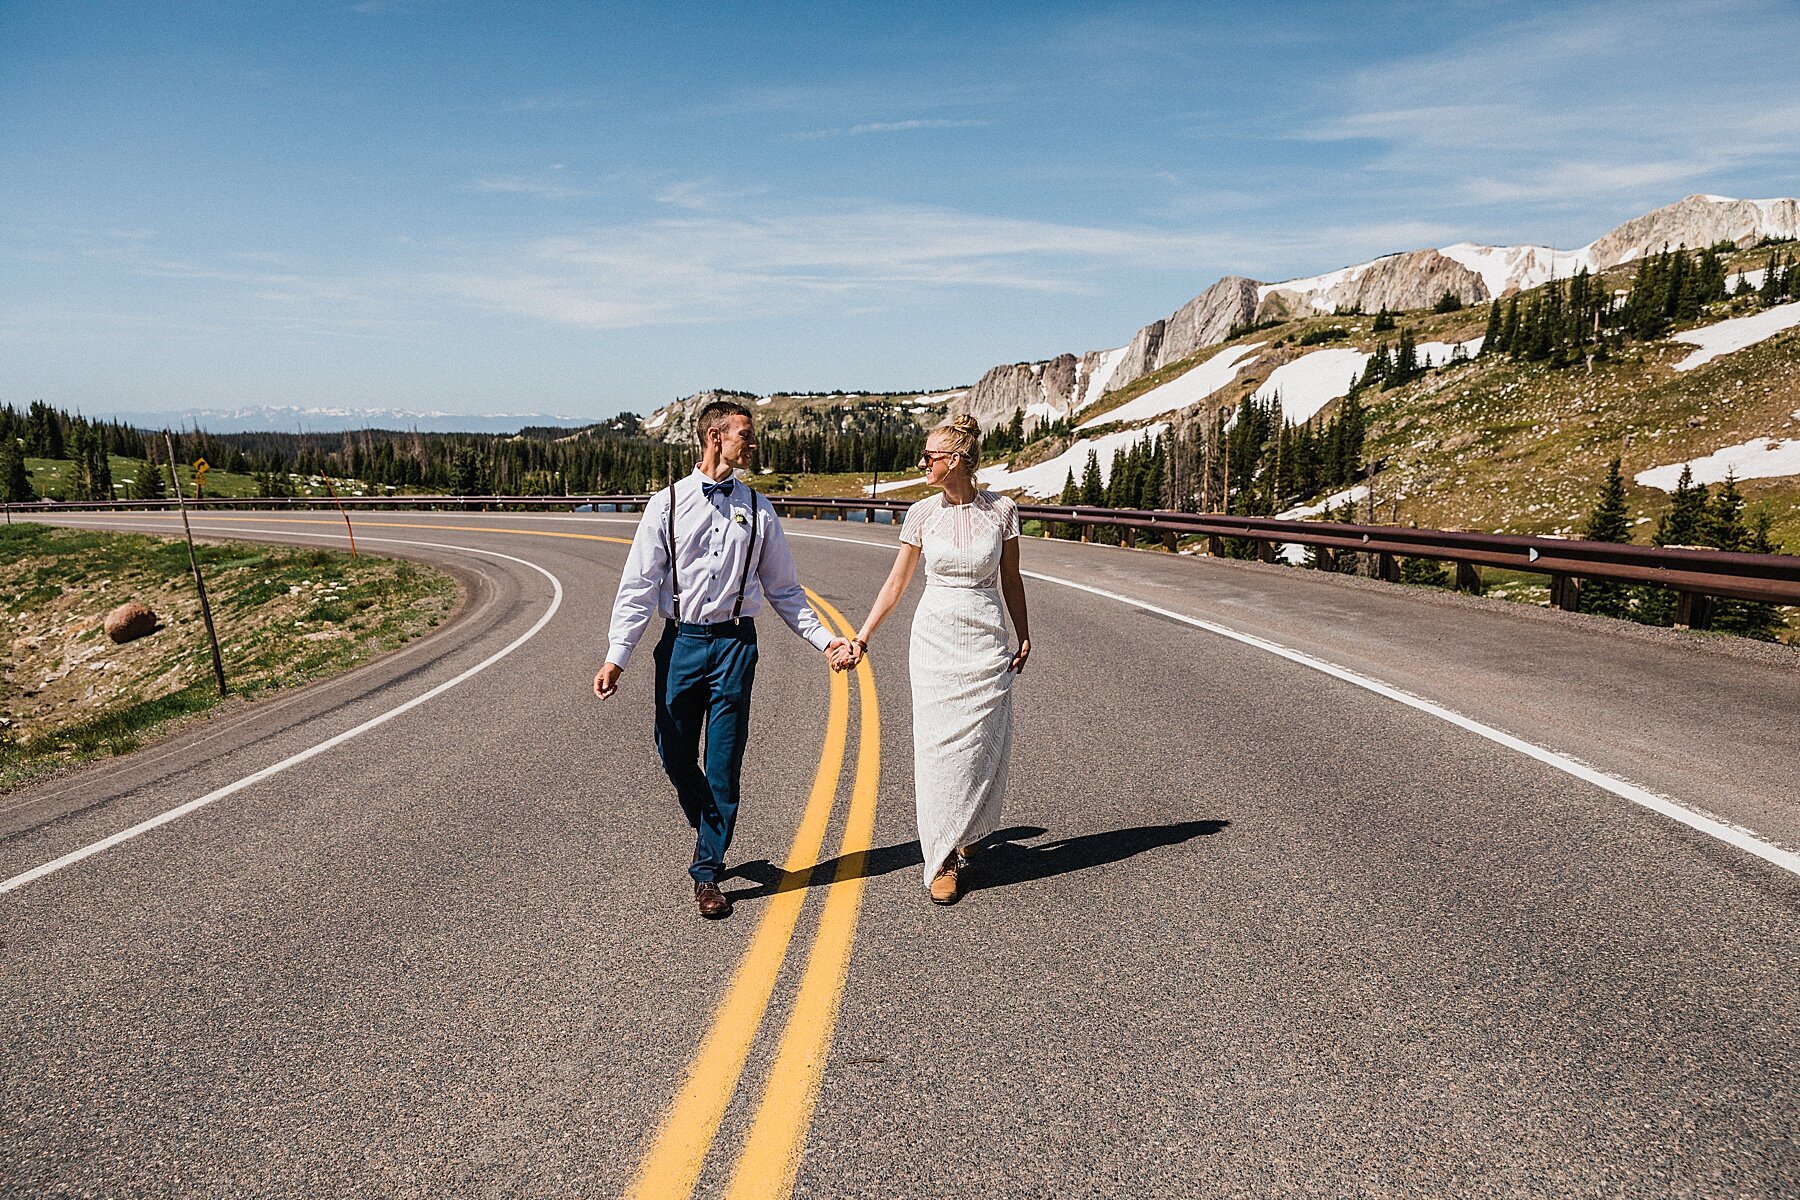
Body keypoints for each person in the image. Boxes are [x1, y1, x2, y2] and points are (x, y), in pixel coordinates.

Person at [595, 399, 856, 920]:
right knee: (672, 751)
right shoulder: (666, 505)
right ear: (715, 438)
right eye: (744, 435)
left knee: (723, 764)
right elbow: (639, 587)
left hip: (736, 646)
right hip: (681, 644)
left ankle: (708, 872)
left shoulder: (759, 509)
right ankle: (710, 821)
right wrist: (616, 655)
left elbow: (785, 591)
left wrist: (826, 640)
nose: (751, 443)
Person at [842, 414, 1030, 905]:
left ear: (958, 460)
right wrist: (863, 636)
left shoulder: (1004, 511)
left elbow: (1011, 578)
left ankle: (964, 826)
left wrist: (1023, 632)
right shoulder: (922, 514)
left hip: (987, 635)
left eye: (930, 455)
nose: (922, 462)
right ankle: (940, 857)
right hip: (935, 638)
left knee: (981, 740)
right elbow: (897, 582)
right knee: (938, 748)